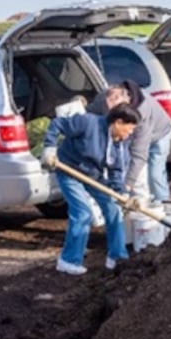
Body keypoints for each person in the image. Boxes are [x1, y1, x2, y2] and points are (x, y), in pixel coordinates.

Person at [41, 104, 140, 275]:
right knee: (82, 213)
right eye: (129, 128)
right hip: (69, 170)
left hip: (93, 176)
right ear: (118, 122)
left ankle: (117, 256)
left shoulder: (120, 143)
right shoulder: (88, 123)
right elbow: (57, 124)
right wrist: (50, 147)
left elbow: (116, 170)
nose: (130, 133)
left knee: (114, 210)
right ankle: (68, 260)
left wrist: (121, 193)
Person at [87, 80, 171, 204]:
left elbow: (138, 154)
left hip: (159, 133)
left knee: (155, 174)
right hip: (131, 133)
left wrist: (128, 185)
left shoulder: (141, 112)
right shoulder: (104, 98)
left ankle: (161, 204)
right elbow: (89, 113)